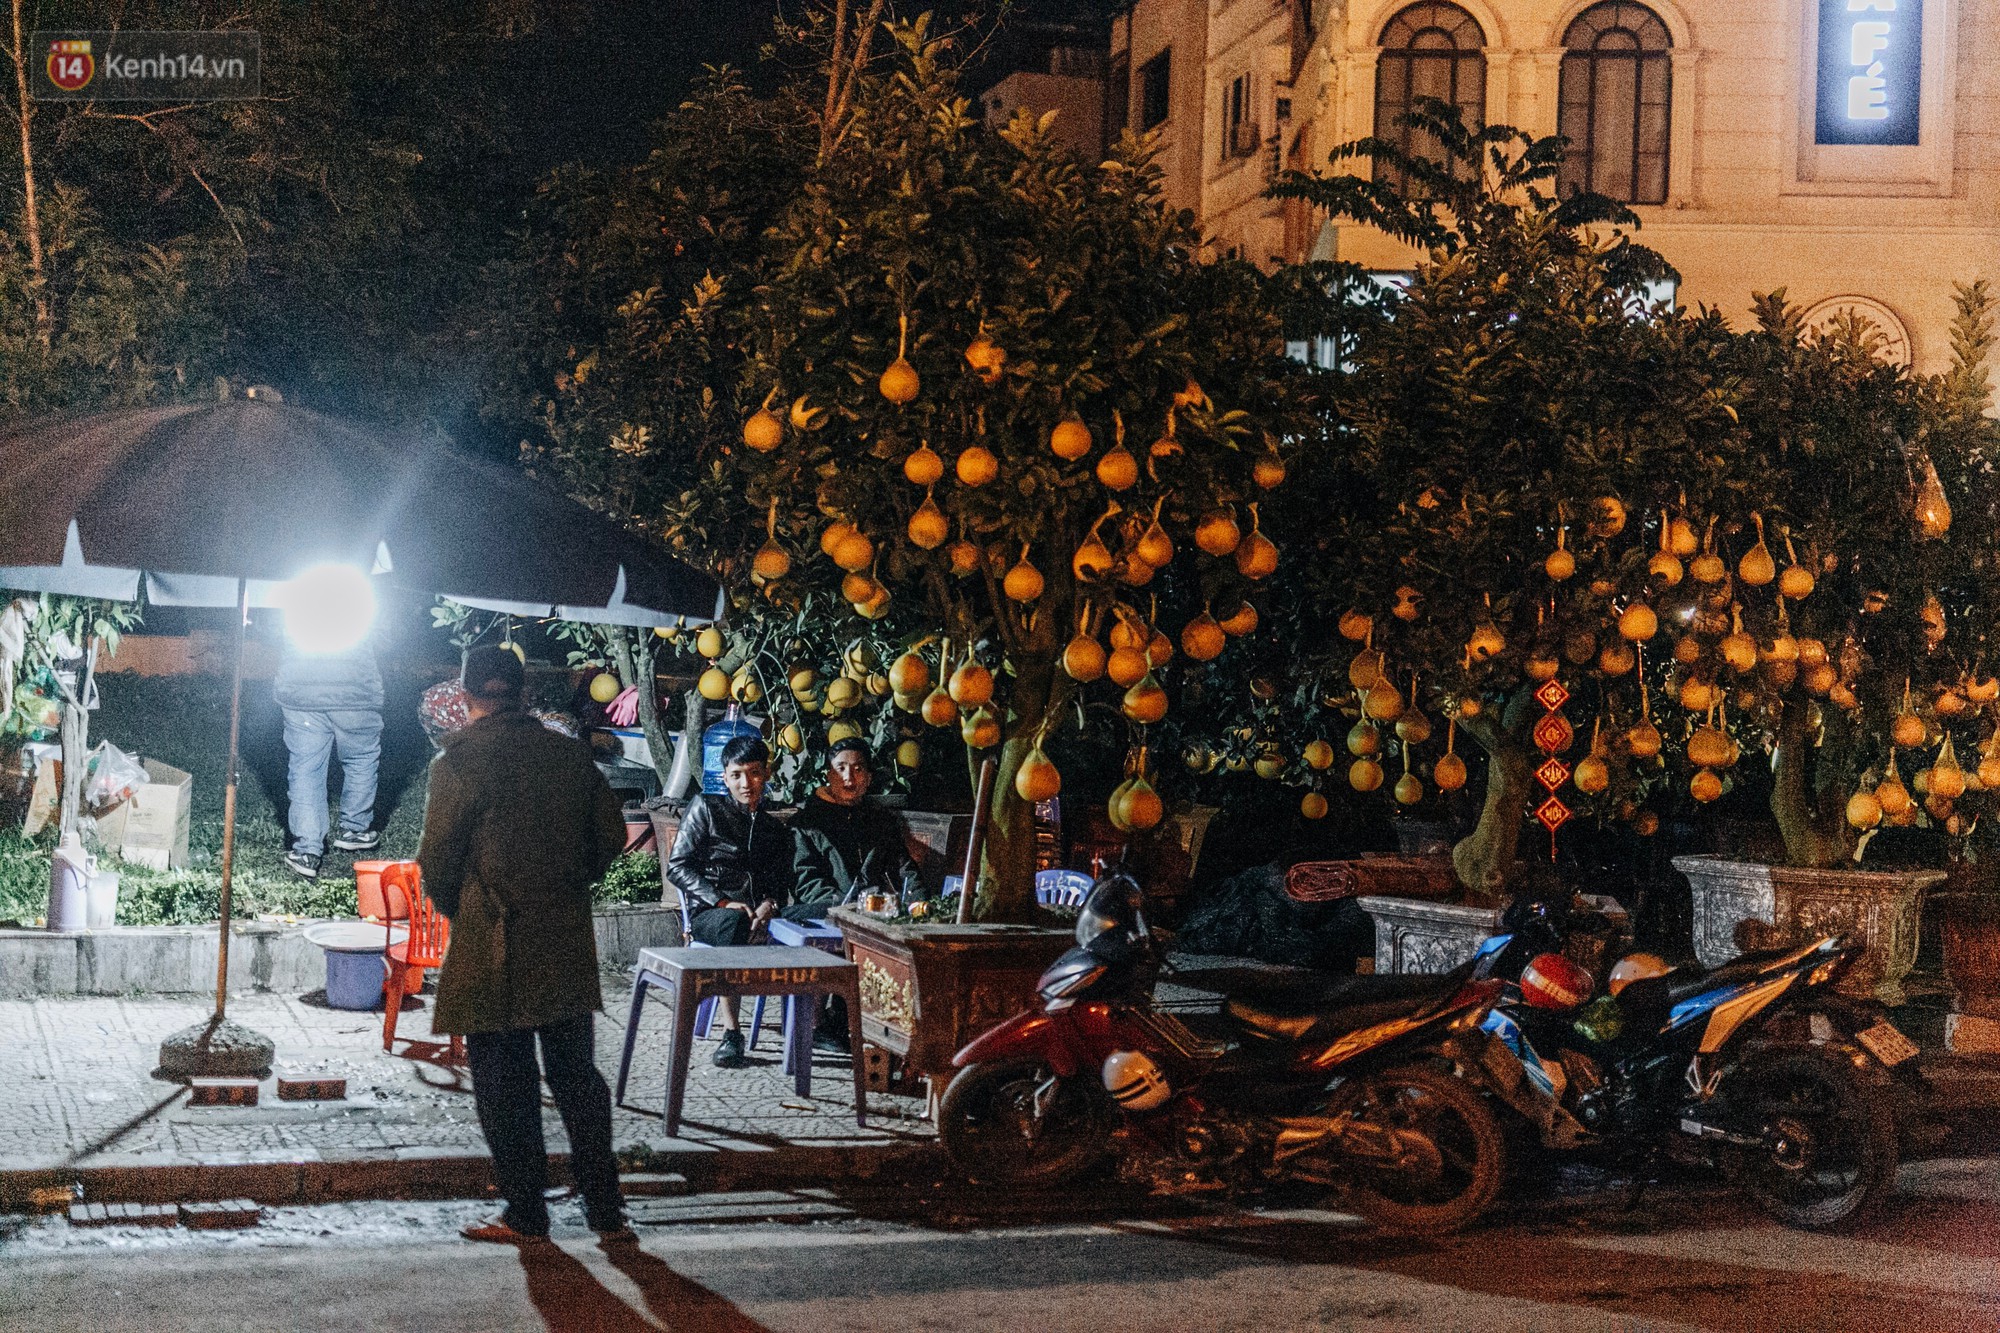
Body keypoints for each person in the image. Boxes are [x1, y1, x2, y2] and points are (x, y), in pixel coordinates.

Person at [417, 645, 630, 1245]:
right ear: (524, 692)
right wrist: (569, 882)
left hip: (495, 942)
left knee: (504, 1083)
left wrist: (467, 906)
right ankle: (606, 1211)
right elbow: (610, 836)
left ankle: (527, 1213)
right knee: (576, 1077)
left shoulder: (456, 763)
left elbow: (437, 862)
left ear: (466, 696)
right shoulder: (568, 757)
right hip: (562, 935)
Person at [665, 735, 819, 1067]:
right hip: (712, 914)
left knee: (820, 914)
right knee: (734, 922)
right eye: (736, 774)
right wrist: (722, 901)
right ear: (725, 777)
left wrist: (769, 905)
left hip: (759, 915)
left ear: (766, 773)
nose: (745, 783)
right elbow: (677, 867)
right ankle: (731, 1033)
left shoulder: (773, 828)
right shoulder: (706, 808)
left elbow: (778, 883)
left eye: (753, 773)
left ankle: (819, 1026)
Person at [790, 738, 920, 1050]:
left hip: (869, 911)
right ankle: (821, 1023)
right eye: (841, 769)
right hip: (821, 909)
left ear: (869, 777)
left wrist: (919, 900)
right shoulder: (808, 821)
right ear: (828, 775)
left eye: (858, 770)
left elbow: (905, 868)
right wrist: (844, 906)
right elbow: (805, 879)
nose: (850, 778)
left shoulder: (880, 821)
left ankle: (875, 1024)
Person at [276, 638, 384, 879]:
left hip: (301, 694)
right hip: (356, 695)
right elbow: (385, 635)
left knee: (306, 769)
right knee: (361, 758)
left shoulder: (293, 599)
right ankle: (354, 829)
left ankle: (307, 850)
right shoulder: (364, 599)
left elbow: (276, 633)